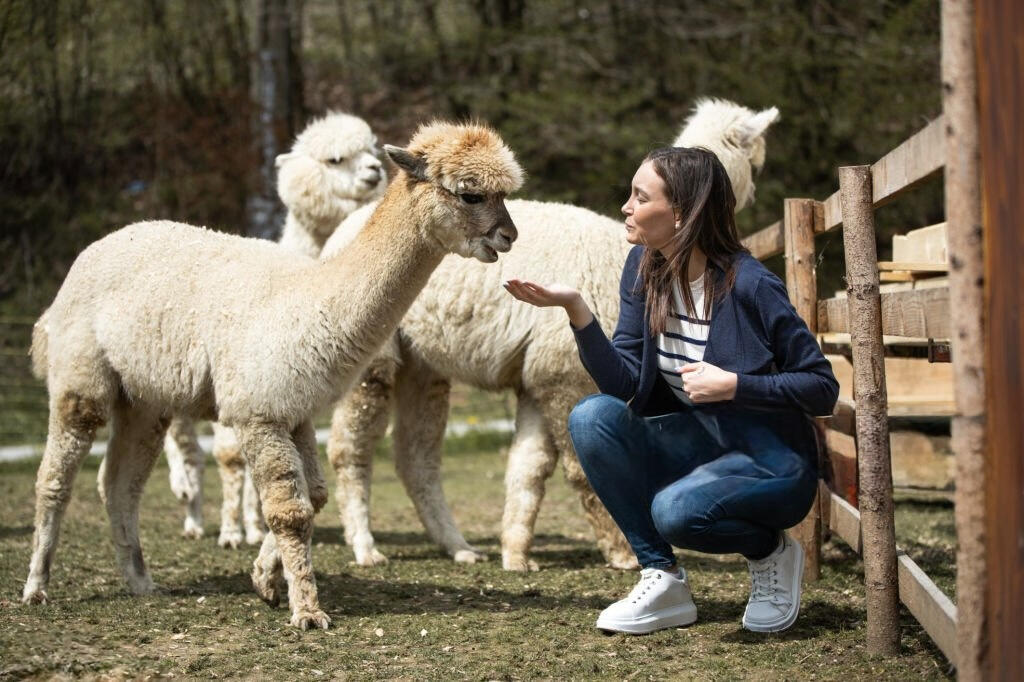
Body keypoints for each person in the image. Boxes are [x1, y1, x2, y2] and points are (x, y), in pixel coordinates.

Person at [503, 146, 838, 635]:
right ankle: (662, 576)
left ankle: (770, 551)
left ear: (680, 212)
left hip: (771, 462)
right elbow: (623, 387)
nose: (626, 206)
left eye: (640, 196)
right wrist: (577, 311)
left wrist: (736, 386)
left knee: (676, 512)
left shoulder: (751, 285)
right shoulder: (644, 269)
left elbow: (821, 388)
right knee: (591, 417)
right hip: (697, 444)